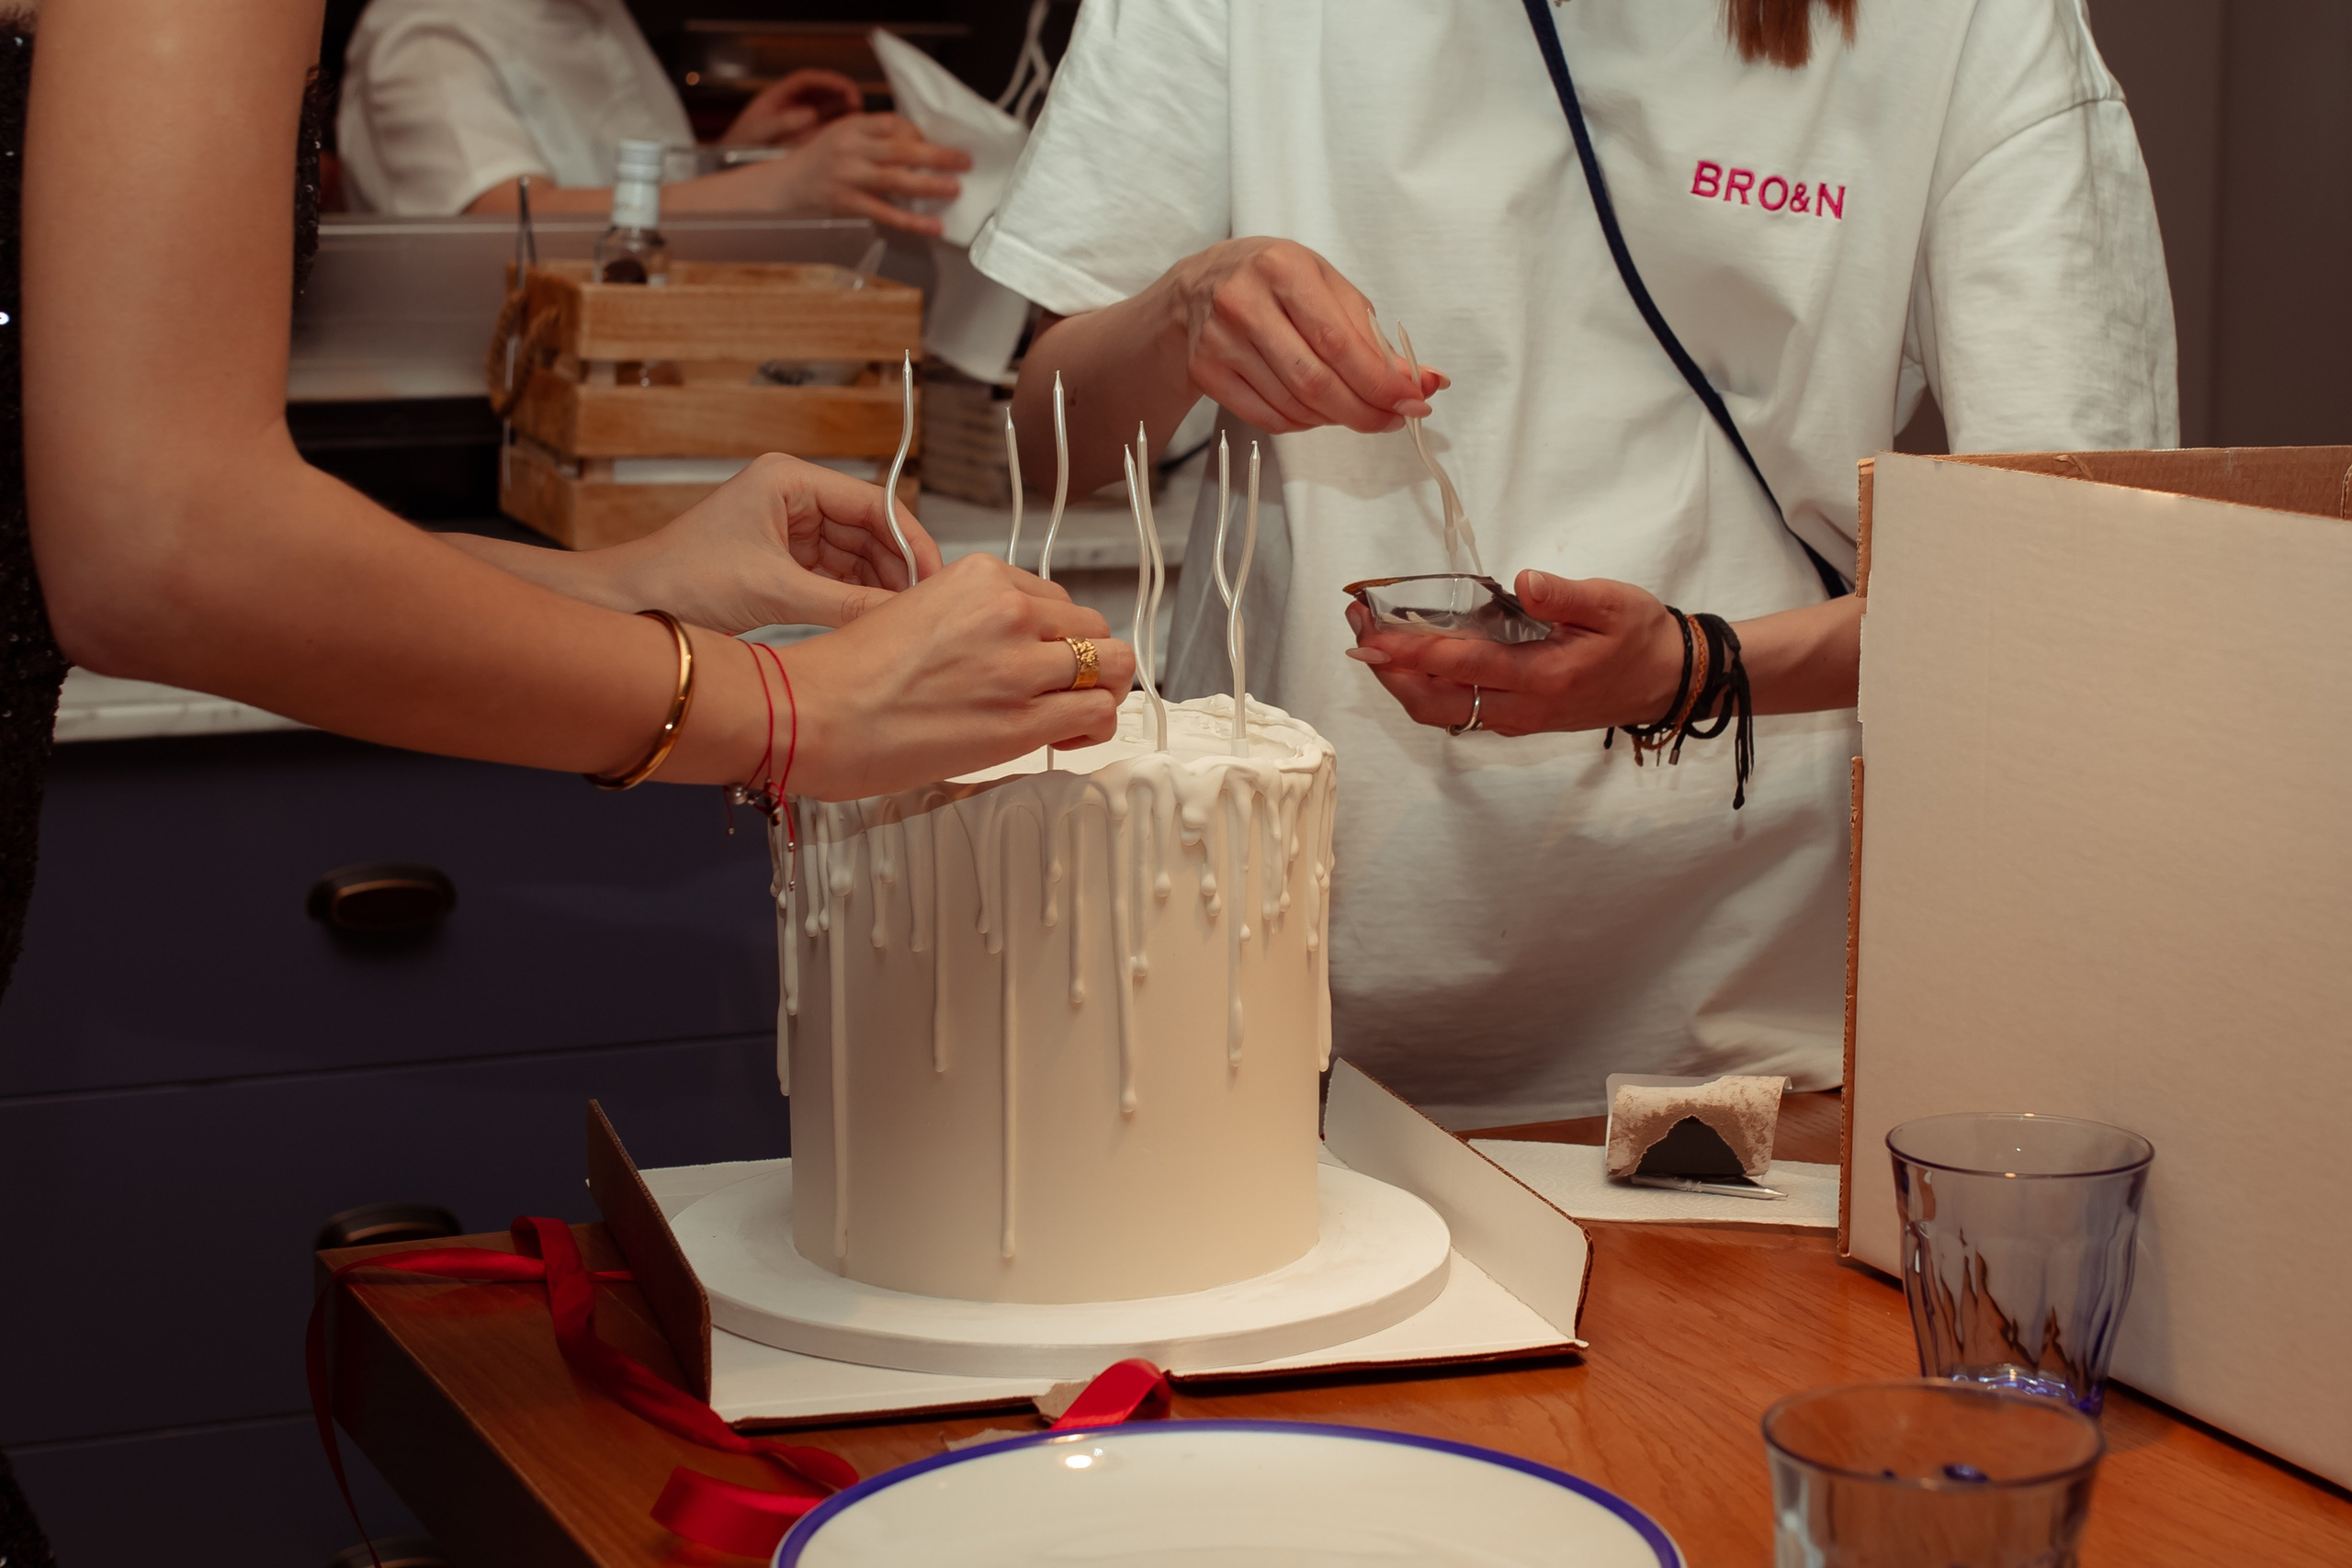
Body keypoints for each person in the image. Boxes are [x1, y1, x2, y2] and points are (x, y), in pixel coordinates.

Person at [978, 0, 2176, 1128]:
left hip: (1744, 1055)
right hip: (1264, 1007)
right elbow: (1050, 436)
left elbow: (2077, 573)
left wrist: (1698, 668)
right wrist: (1184, 316)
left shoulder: (1966, 28)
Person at [338, 0, 974, 231]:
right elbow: (504, 227)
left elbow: (629, 198)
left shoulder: (597, 13)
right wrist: (774, 187)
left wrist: (726, 155)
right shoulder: (429, 28)